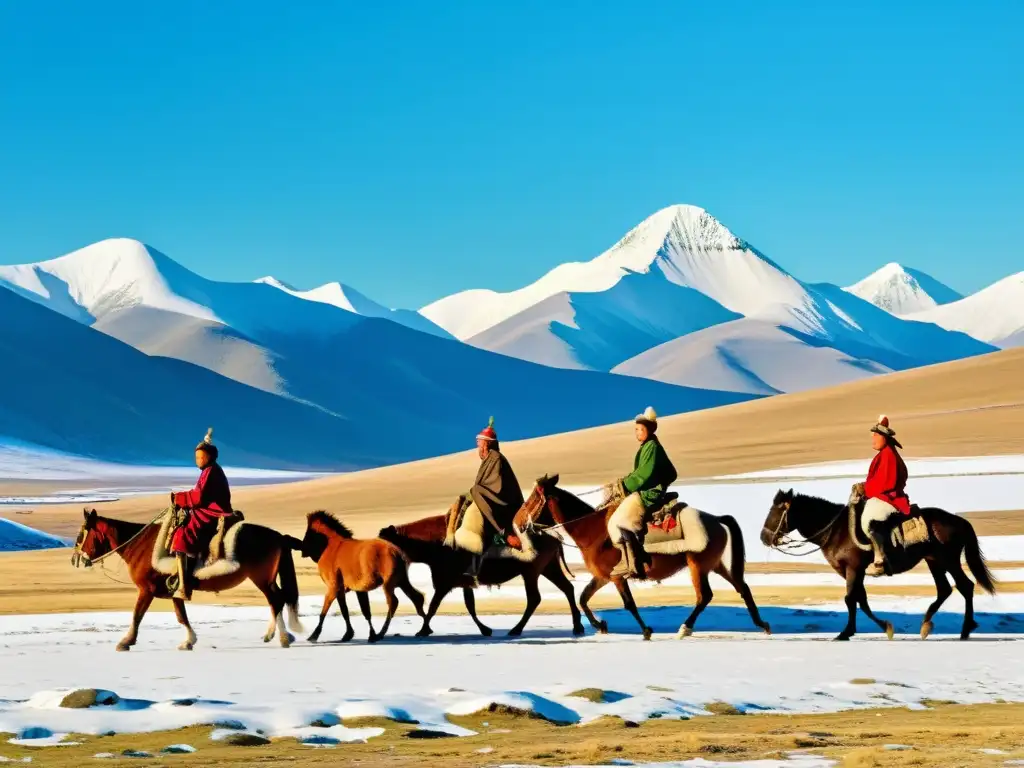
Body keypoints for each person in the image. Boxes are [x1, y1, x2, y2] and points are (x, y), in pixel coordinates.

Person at [447, 417, 523, 581]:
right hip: (486, 498)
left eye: (479, 444)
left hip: (500, 503)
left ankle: (474, 566)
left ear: (487, 444)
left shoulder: (495, 458)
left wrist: (475, 491)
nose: (478, 447)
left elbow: (495, 486)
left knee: (475, 522)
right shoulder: (490, 459)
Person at [605, 407, 678, 579]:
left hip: (648, 494)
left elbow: (644, 473)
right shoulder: (649, 446)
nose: (637, 433)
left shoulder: (651, 446)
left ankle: (631, 563)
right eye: (636, 429)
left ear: (649, 430)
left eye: (641, 429)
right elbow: (642, 472)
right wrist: (623, 481)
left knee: (619, 521)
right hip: (645, 490)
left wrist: (624, 486)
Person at [169, 428, 234, 600]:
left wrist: (179, 498)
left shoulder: (211, 471)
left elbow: (198, 497)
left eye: (200, 457)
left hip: (211, 512)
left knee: (181, 535)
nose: (197, 460)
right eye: (196, 457)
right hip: (211, 509)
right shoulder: (209, 470)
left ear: (209, 457)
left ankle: (183, 586)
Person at [859, 415, 911, 577]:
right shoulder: (884, 453)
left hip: (890, 498)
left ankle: (879, 560)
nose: (873, 439)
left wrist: (864, 488)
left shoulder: (888, 455)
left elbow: (885, 483)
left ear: (884, 438)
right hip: (883, 495)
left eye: (876, 436)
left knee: (869, 520)